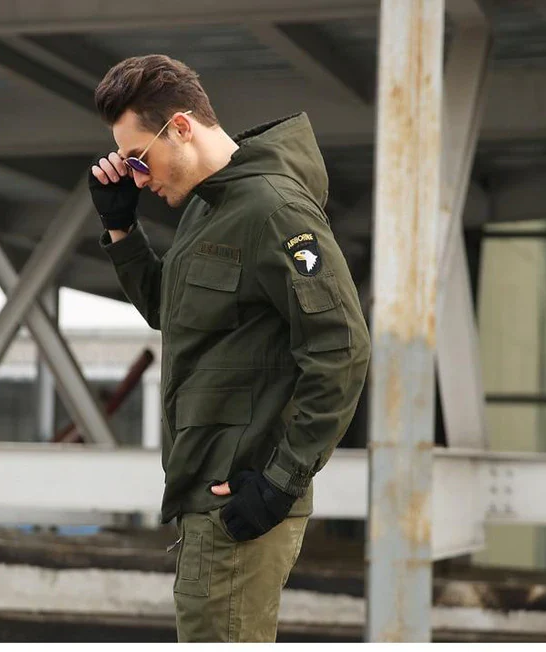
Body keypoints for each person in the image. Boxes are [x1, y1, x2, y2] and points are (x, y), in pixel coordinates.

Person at [88, 54, 370, 642]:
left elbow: (342, 347)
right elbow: (170, 312)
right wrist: (122, 229)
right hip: (210, 498)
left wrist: (281, 482)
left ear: (181, 128)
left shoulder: (274, 209)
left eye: (138, 159)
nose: (136, 177)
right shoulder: (206, 208)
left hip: (239, 505)